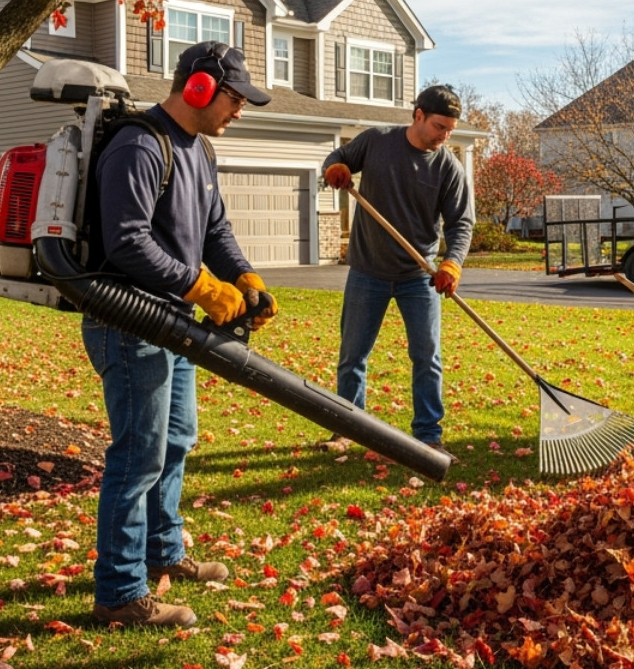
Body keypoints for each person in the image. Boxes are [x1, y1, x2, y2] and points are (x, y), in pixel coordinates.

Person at [84, 41, 276, 628]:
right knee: (138, 455)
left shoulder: (199, 152)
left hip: (174, 323)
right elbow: (126, 240)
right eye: (235, 98)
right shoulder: (140, 145)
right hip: (129, 322)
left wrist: (240, 277)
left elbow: (214, 227)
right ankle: (119, 592)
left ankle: (163, 554)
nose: (239, 111)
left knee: (176, 441)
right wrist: (199, 286)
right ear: (198, 87)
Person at [321, 85, 474, 459]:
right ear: (418, 114)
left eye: (450, 130)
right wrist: (335, 168)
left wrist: (451, 262)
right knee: (353, 355)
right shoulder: (377, 142)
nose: (444, 136)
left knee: (427, 357)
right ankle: (348, 429)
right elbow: (338, 155)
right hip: (368, 270)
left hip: (419, 275)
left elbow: (461, 224)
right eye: (439, 126)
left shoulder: (447, 167)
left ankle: (428, 436)